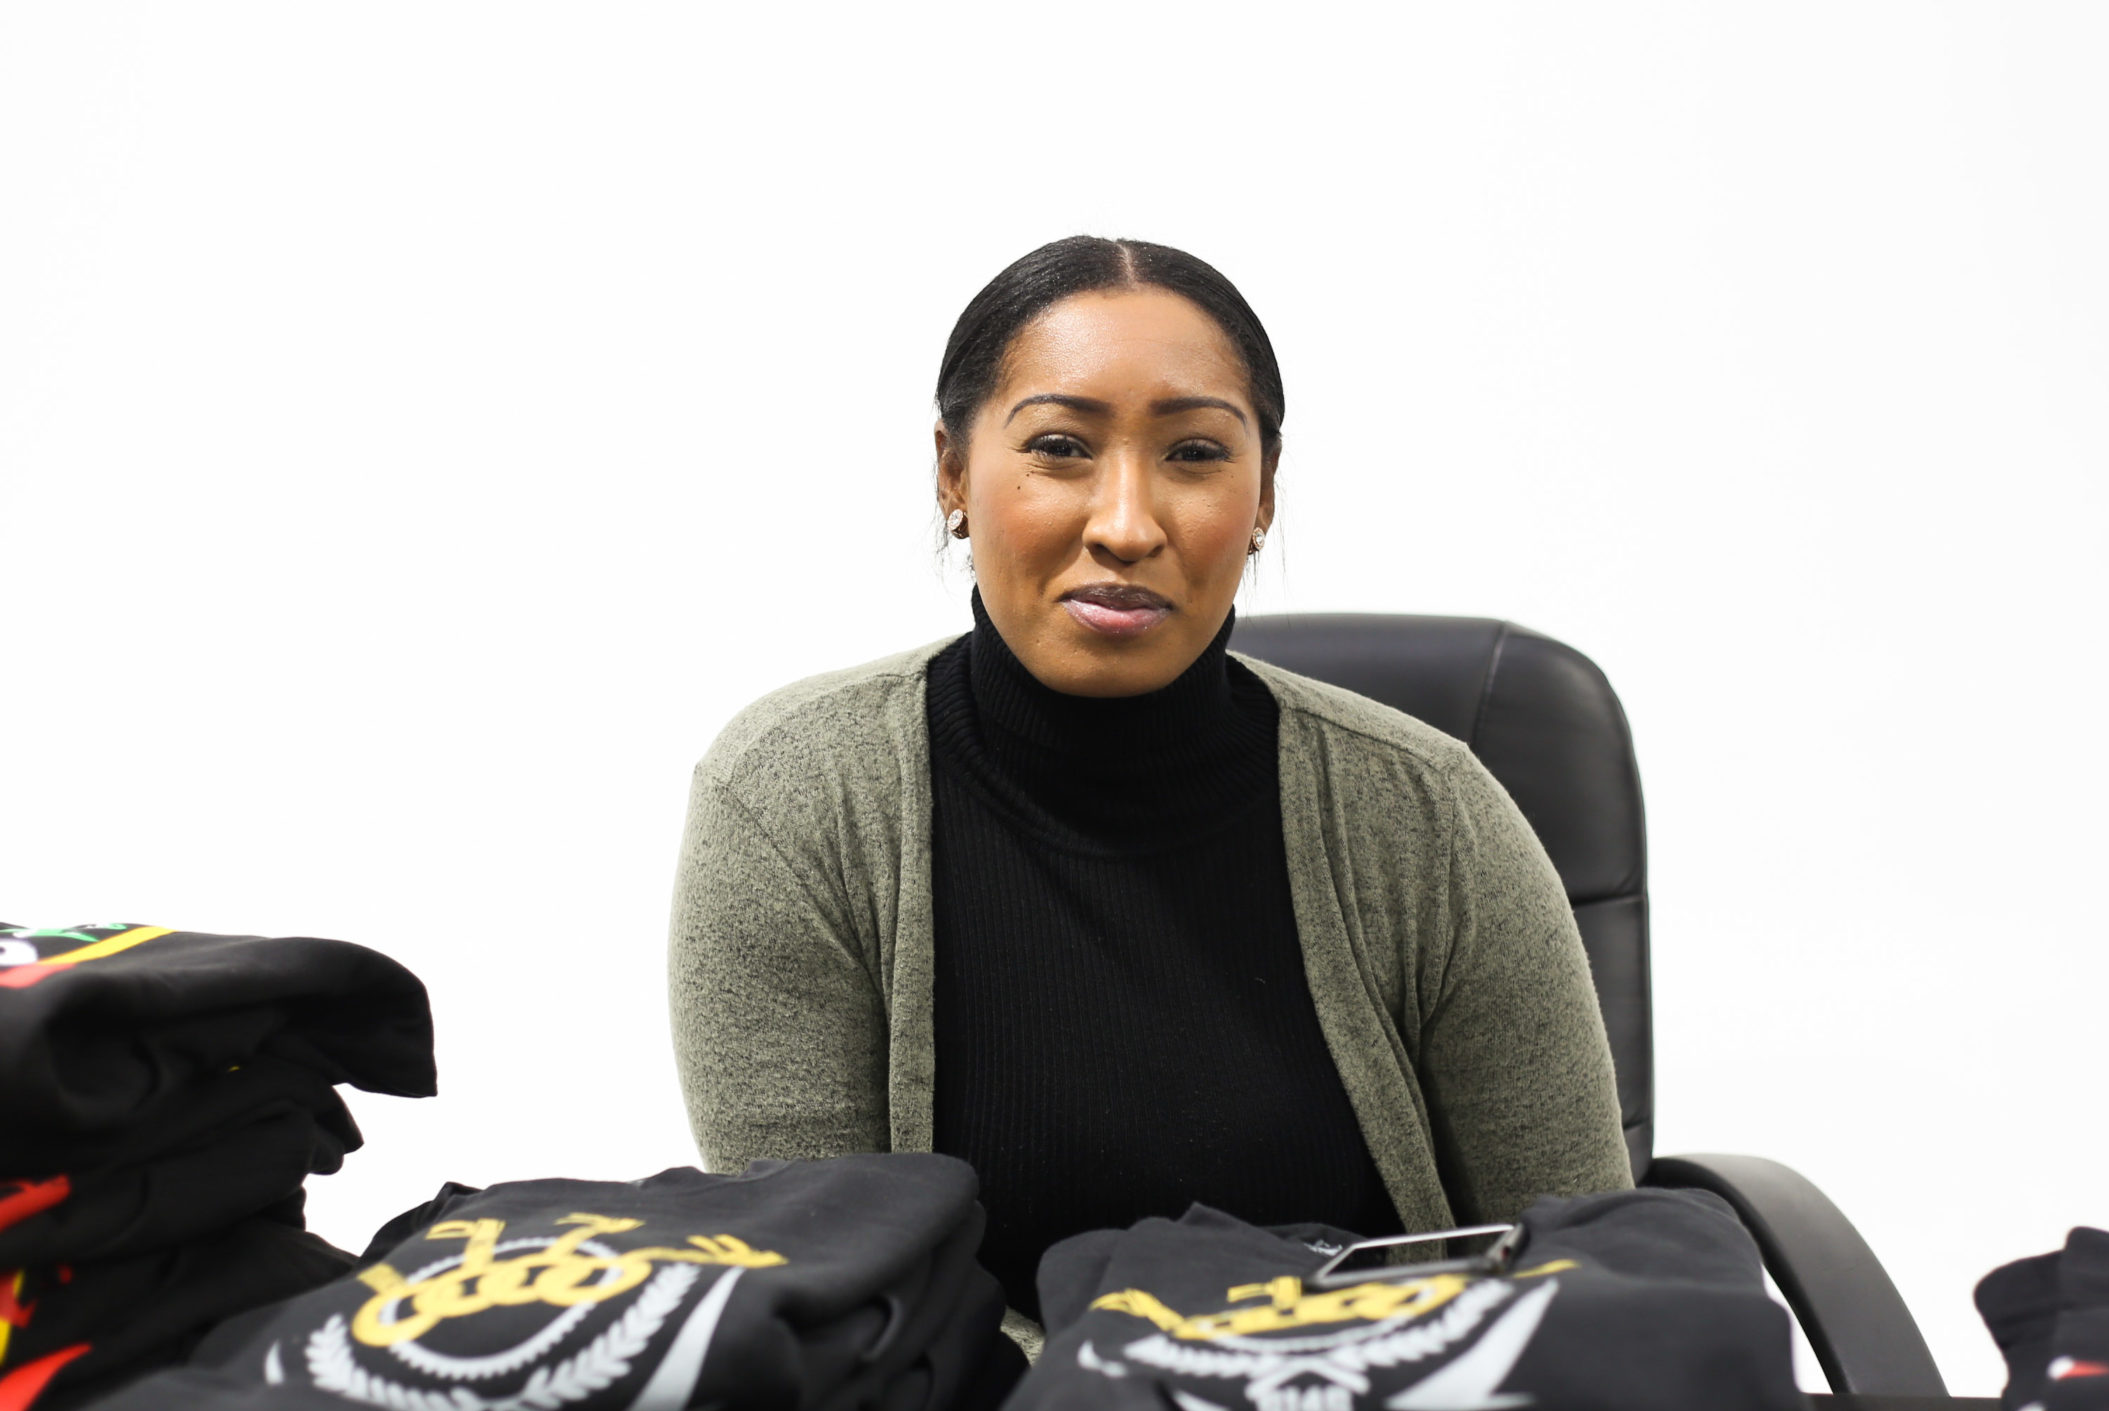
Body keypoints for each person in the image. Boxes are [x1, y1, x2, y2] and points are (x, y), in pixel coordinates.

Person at [670, 236, 1629, 1329]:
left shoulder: (1431, 816)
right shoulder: (795, 800)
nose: (1125, 525)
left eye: (1195, 454)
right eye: (1061, 447)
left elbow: (1591, 1278)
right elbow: (830, 1314)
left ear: (1263, 493)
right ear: (953, 474)